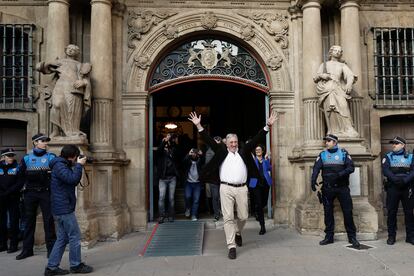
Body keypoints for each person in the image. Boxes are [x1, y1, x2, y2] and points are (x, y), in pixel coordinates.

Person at [188, 111, 277, 259]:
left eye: (235, 142)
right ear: (226, 143)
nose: (234, 145)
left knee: (243, 216)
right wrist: (198, 125)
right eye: (231, 143)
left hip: (242, 188)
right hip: (226, 188)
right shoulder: (221, 151)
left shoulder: (243, 151)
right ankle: (231, 246)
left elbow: (256, 139)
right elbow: (209, 140)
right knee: (228, 217)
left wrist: (267, 125)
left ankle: (237, 232)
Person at [44, 145, 93, 276]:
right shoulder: (60, 166)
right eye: (76, 157)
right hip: (63, 208)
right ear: (72, 156)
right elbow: (72, 179)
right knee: (75, 236)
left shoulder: (61, 164)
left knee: (62, 238)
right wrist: (78, 166)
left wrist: (77, 165)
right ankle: (76, 265)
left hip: (61, 207)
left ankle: (51, 267)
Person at [311, 134, 360, 247]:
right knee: (328, 213)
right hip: (328, 189)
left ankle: (352, 237)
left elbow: (351, 167)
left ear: (335, 142)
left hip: (342, 188)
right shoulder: (322, 155)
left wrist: (339, 174)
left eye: (328, 141)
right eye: (326, 141)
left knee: (347, 212)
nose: (326, 143)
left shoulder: (343, 153)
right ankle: (329, 237)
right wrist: (313, 180)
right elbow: (316, 168)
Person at [36, 44, 91, 138]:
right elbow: (39, 67)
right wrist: (49, 63)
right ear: (65, 50)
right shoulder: (59, 62)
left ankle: (72, 131)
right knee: (56, 104)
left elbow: (87, 79)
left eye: (73, 49)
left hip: (74, 89)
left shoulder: (80, 65)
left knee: (72, 111)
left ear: (77, 53)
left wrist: (83, 82)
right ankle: (56, 130)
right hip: (60, 87)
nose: (70, 50)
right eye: (69, 48)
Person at [16, 133, 56, 260]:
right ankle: (27, 250)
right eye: (42, 141)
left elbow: (57, 173)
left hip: (45, 192)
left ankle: (51, 250)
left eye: (46, 141)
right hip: (30, 193)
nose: (45, 143)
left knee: (49, 221)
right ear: (35, 143)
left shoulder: (51, 157)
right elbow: (19, 175)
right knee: (28, 221)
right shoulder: (27, 158)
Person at [313, 45, 359, 138]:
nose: (338, 52)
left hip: (338, 89)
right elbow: (315, 78)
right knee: (331, 111)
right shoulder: (324, 65)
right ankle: (333, 131)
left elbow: (350, 75)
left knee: (343, 107)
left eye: (340, 51)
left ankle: (348, 129)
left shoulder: (342, 65)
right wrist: (322, 76)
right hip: (327, 90)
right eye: (336, 50)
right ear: (331, 52)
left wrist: (349, 84)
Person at [382, 136, 414, 245]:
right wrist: (396, 180)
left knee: (409, 213)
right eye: (393, 143)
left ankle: (410, 236)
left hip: (407, 188)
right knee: (391, 213)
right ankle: (391, 236)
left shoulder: (410, 156)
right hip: (393, 188)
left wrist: (405, 181)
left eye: (396, 143)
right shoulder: (388, 156)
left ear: (403, 145)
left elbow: (413, 171)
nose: (393, 145)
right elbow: (386, 170)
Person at [0, 148, 22, 253]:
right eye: (9, 156)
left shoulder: (17, 167)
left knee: (13, 222)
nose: (11, 158)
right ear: (3, 157)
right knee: (1, 222)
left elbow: (20, 182)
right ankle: (2, 244)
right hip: (1, 198)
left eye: (12, 156)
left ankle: (13, 245)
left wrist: (8, 192)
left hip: (13, 197)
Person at [156, 133, 180, 223]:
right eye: (164, 141)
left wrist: (171, 140)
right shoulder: (160, 153)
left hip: (172, 178)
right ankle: (161, 216)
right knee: (161, 197)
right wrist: (164, 141)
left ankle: (171, 215)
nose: (166, 143)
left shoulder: (172, 150)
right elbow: (159, 150)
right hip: (162, 178)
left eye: (167, 142)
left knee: (171, 198)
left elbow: (177, 152)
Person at [249, 144, 272, 235]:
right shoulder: (253, 161)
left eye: (259, 150)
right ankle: (263, 226)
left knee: (264, 203)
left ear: (262, 151)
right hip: (256, 185)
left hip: (265, 184)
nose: (258, 151)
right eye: (256, 150)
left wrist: (268, 159)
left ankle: (258, 210)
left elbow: (270, 168)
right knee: (259, 203)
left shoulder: (265, 161)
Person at [183, 148, 205, 221]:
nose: (194, 154)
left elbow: (203, 161)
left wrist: (201, 155)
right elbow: (184, 162)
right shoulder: (188, 160)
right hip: (188, 183)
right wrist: (188, 154)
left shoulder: (199, 160)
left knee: (196, 200)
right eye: (192, 153)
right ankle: (188, 208)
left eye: (195, 153)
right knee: (188, 196)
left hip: (197, 183)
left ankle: (193, 215)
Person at [204, 136, 222, 221]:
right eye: (215, 141)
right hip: (213, 178)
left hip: (223, 177)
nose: (217, 142)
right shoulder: (209, 152)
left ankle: (223, 211)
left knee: (223, 196)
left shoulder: (224, 150)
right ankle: (216, 214)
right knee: (215, 197)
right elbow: (209, 164)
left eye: (219, 141)